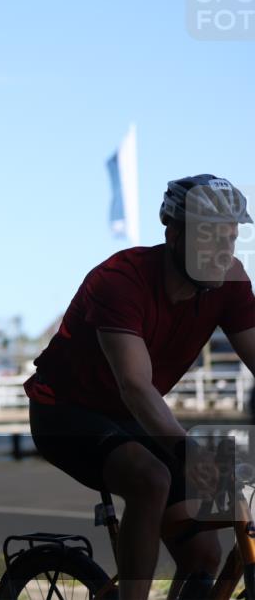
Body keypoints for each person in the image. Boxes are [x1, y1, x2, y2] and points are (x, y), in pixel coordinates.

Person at [24, 175, 255, 600]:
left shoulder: (231, 282)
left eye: (231, 238)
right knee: (151, 479)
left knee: (205, 555)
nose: (224, 251)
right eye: (211, 239)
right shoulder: (121, 280)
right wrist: (187, 450)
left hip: (134, 417)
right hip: (65, 411)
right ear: (174, 234)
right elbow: (134, 385)